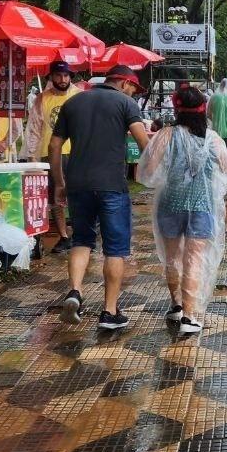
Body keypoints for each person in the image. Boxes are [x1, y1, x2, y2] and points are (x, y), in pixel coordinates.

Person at [49, 65, 152, 331]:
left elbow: (55, 145)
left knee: (82, 239)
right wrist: (155, 174)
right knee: (115, 249)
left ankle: (74, 292)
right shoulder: (126, 104)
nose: (133, 93)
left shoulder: (72, 103)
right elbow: (144, 144)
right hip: (111, 186)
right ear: (122, 81)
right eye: (133, 87)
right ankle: (109, 312)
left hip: (78, 184)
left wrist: (59, 182)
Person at [137, 85, 227, 336]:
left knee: (172, 257)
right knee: (193, 259)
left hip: (170, 203)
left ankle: (176, 305)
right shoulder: (213, 138)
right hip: (202, 204)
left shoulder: (165, 135)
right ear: (203, 109)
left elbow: (147, 172)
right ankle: (190, 317)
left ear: (177, 108)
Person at [23, 60, 81, 248]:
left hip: (76, 153)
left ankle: (79, 234)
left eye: (66, 76)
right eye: (58, 75)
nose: (62, 79)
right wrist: (32, 155)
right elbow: (34, 128)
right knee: (55, 197)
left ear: (70, 77)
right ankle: (63, 235)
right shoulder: (42, 99)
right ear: (51, 77)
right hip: (50, 155)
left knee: (78, 194)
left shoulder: (79, 97)